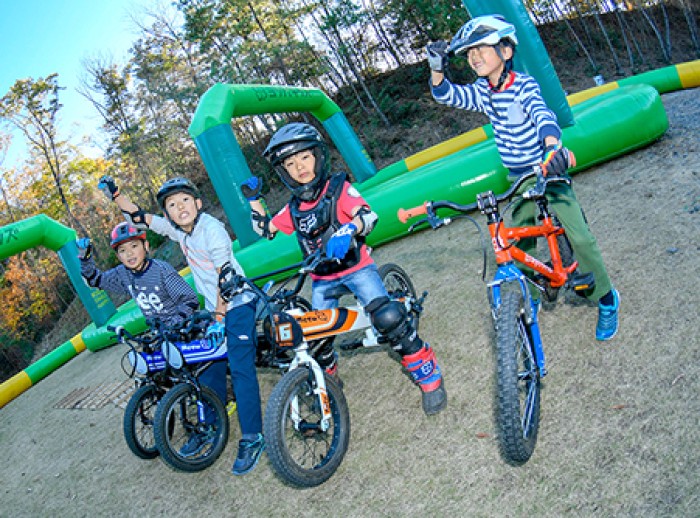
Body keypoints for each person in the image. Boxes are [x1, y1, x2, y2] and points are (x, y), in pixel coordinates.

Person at [425, 14, 620, 341]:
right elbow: (445, 94)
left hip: (545, 168)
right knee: (520, 238)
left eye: (481, 49)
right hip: (517, 177)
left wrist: (552, 148)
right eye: (469, 53)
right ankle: (529, 293)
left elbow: (543, 116)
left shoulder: (524, 86)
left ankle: (607, 298)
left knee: (580, 237)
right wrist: (436, 66)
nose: (473, 57)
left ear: (505, 50)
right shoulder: (483, 91)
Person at [242, 122, 447, 416]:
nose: (298, 167)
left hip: (356, 268)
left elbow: (369, 216)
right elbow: (266, 231)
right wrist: (253, 202)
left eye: (304, 157)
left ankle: (428, 373)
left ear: (318, 156)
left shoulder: (338, 190)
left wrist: (350, 228)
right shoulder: (294, 208)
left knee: (387, 317)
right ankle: (326, 379)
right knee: (313, 336)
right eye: (289, 163)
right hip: (321, 278)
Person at [96, 175, 265, 475]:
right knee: (206, 366)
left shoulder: (212, 230)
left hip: (237, 302)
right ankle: (210, 427)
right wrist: (117, 195)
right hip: (215, 309)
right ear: (169, 214)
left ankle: (253, 437)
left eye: (185, 200)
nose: (179, 207)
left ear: (198, 203)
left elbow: (225, 278)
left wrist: (218, 318)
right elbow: (139, 217)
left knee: (240, 367)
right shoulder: (179, 232)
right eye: (172, 205)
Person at [78, 222, 228, 457]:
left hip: (184, 327)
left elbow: (189, 300)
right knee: (155, 370)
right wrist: (85, 260)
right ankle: (172, 404)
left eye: (134, 247)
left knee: (201, 372)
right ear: (117, 255)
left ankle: (209, 423)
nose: (129, 254)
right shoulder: (123, 274)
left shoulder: (161, 270)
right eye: (122, 250)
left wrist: (173, 323)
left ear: (146, 246)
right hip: (160, 333)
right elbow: (96, 280)